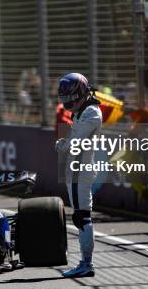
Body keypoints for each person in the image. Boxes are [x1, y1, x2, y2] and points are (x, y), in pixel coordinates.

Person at [55, 73, 102, 278]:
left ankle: (86, 263)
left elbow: (75, 139)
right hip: (77, 169)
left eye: (70, 99)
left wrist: (61, 145)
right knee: (81, 215)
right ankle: (86, 262)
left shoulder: (91, 113)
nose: (67, 104)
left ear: (80, 93)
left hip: (80, 171)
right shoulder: (82, 110)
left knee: (82, 217)